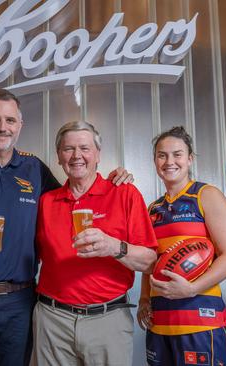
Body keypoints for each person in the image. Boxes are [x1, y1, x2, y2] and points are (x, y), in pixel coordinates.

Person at [0, 90, 131, 366]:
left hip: (19, 302)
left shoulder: (34, 168)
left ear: (20, 126)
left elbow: (71, 197)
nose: (2, 127)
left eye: (10, 120)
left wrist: (111, 178)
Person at [33, 120, 158, 365]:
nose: (77, 155)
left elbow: (149, 262)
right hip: (52, 320)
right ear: (59, 156)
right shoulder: (46, 202)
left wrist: (115, 247)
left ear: (98, 154)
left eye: (85, 148)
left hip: (107, 320)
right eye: (68, 149)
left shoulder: (124, 193)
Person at [137, 126, 226, 366]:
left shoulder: (206, 195)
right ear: (154, 161)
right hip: (160, 325)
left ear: (190, 159)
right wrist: (143, 300)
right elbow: (150, 262)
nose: (169, 161)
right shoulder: (152, 208)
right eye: (162, 155)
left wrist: (192, 289)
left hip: (201, 324)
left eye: (177, 154)